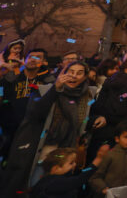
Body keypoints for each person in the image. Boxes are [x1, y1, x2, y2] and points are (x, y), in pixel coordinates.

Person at [1, 60, 96, 197]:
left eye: (79, 73)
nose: (74, 76)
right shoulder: (45, 89)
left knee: (52, 189)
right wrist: (55, 89)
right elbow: (36, 114)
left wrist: (97, 118)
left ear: (85, 77)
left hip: (64, 151)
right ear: (63, 73)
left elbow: (86, 117)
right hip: (41, 147)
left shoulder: (88, 96)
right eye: (71, 72)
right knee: (33, 185)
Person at [88, 58, 127, 162]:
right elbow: (98, 105)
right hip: (110, 129)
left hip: (123, 130)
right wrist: (100, 117)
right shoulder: (110, 83)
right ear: (126, 68)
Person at [0, 47, 55, 160]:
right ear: (25, 60)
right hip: (8, 128)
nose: (33, 60)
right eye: (30, 57)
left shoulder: (48, 81)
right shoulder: (11, 77)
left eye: (37, 57)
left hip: (32, 130)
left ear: (44, 62)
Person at [30, 146, 106, 198]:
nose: (75, 164)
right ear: (56, 168)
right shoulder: (54, 181)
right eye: (71, 163)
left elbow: (83, 172)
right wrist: (98, 159)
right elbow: (80, 179)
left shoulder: (61, 177)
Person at [90, 119, 127, 196]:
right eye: (126, 137)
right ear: (117, 139)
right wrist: (103, 188)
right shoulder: (109, 154)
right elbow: (95, 177)